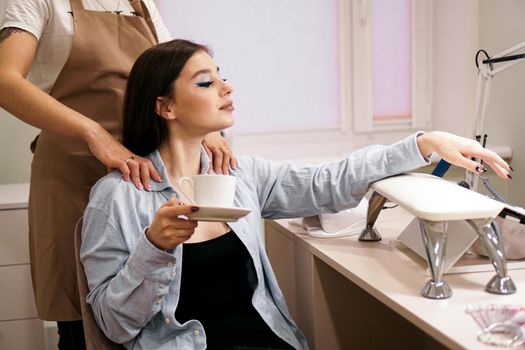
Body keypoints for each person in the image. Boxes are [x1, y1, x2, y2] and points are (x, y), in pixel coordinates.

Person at [80, 39, 512, 350]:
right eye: (206, 83)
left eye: (222, 77)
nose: (227, 88)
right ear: (165, 107)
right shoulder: (116, 198)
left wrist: (422, 143)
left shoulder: (240, 174)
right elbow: (114, 327)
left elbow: (328, 181)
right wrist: (153, 248)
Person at [0, 1, 236, 349]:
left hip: (143, 175)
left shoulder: (140, 5)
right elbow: (5, 81)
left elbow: (171, 72)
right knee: (84, 323)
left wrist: (208, 129)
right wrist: (93, 132)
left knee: (150, 303)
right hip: (71, 176)